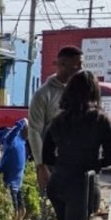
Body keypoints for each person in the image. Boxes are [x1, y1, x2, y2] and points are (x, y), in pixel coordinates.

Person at [41, 71, 111, 220]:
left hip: (59, 183)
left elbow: (47, 156)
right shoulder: (100, 120)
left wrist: (63, 163)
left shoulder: (58, 121)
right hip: (84, 184)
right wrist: (94, 164)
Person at [30, 45, 82, 188]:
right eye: (77, 65)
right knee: (51, 206)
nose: (80, 69)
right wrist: (41, 165)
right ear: (63, 65)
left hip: (77, 164)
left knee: (77, 209)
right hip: (53, 164)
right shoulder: (43, 94)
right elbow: (34, 131)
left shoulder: (80, 92)